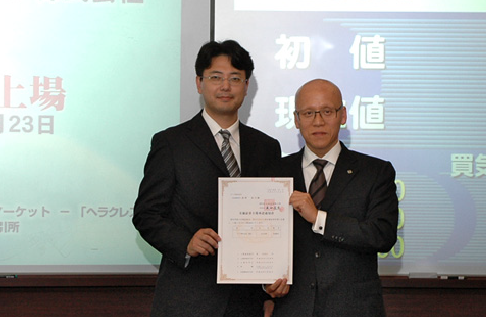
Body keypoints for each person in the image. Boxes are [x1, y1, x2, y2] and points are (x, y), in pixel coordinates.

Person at [132, 40, 282, 317]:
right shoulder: (171, 143)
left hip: (246, 302)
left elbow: (273, 224)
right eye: (216, 77)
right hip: (188, 299)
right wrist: (185, 241)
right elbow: (146, 214)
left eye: (235, 79)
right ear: (200, 83)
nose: (225, 86)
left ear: (247, 86)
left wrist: (271, 287)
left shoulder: (267, 147)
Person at [267, 79, 398, 316]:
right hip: (293, 309)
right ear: (296, 120)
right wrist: (265, 281)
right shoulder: (275, 173)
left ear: (343, 115)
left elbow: (382, 235)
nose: (318, 121)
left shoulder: (375, 172)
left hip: (353, 308)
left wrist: (319, 218)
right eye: (308, 113)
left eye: (327, 111)